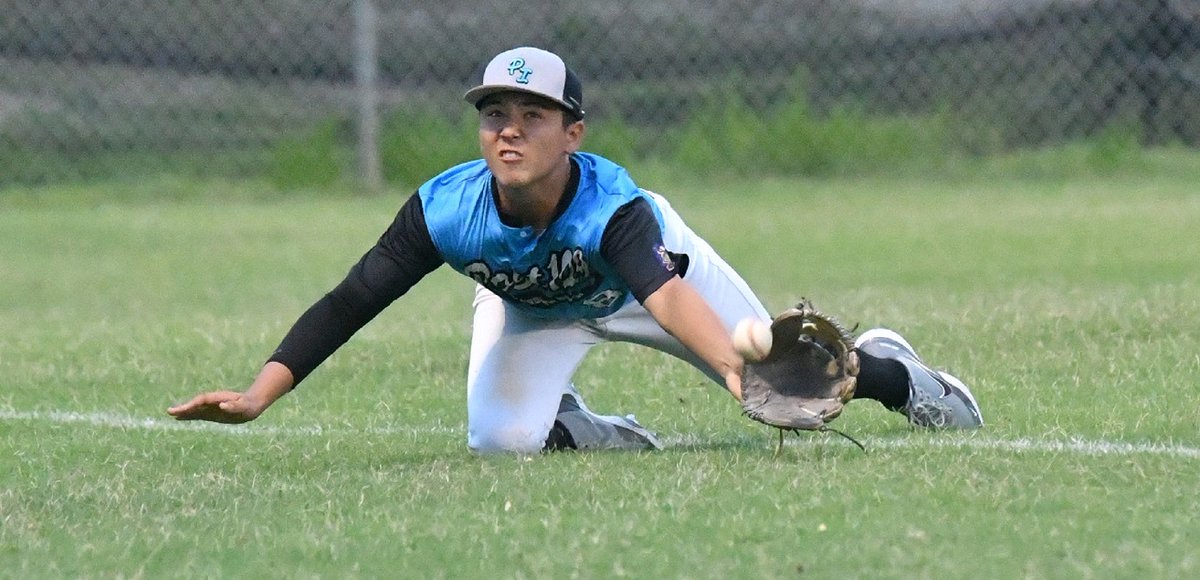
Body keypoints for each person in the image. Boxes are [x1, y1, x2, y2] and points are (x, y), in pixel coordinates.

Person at [167, 46, 982, 453]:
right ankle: (578, 425)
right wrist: (258, 394)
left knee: (783, 390)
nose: (509, 127)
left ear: (573, 132)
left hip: (649, 284)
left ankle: (898, 374)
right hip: (536, 310)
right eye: (494, 112)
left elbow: (664, 297)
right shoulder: (445, 210)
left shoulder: (612, 206)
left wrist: (738, 370)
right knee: (499, 443)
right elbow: (352, 301)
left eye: (533, 112)